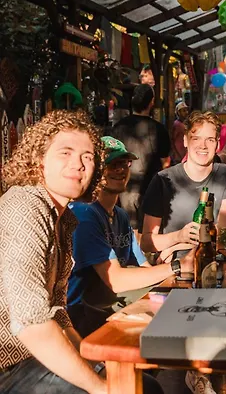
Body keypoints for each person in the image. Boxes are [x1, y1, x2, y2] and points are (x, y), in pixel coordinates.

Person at [0, 109, 107, 393]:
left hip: (29, 360)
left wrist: (93, 362)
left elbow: (57, 310)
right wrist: (99, 386)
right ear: (39, 160)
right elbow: (31, 322)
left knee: (138, 383)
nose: (78, 164)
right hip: (8, 367)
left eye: (88, 156)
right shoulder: (25, 206)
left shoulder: (64, 219)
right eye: (65, 152)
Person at [68, 136, 194, 338]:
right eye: (112, 164)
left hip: (111, 308)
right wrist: (177, 266)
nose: (120, 170)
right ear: (96, 170)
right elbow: (116, 280)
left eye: (124, 163)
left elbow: (144, 268)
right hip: (81, 319)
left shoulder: (120, 215)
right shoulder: (84, 213)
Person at [141, 111, 226, 262]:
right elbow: (146, 242)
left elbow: (224, 237)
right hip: (173, 268)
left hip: (216, 264)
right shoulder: (163, 180)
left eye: (210, 140)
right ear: (185, 140)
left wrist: (175, 247)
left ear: (217, 144)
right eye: (196, 138)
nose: (202, 145)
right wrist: (178, 236)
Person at [112, 84, 171, 236]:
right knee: (149, 233)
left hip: (124, 188)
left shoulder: (118, 127)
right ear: (151, 102)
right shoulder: (159, 129)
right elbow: (166, 163)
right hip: (151, 188)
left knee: (127, 231)